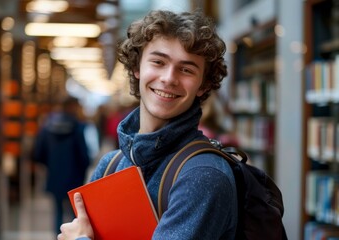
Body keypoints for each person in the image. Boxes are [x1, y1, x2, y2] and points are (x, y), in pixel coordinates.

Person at [58, 9, 237, 240]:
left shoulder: (203, 175)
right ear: (136, 68)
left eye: (186, 69)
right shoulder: (110, 166)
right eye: (158, 62)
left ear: (202, 86)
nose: (169, 78)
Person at [32, 96, 91, 235]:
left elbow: (38, 152)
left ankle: (58, 236)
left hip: (54, 175)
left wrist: (50, 166)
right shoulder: (77, 127)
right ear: (72, 107)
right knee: (74, 212)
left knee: (57, 210)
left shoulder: (47, 126)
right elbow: (84, 154)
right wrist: (83, 168)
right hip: (74, 176)